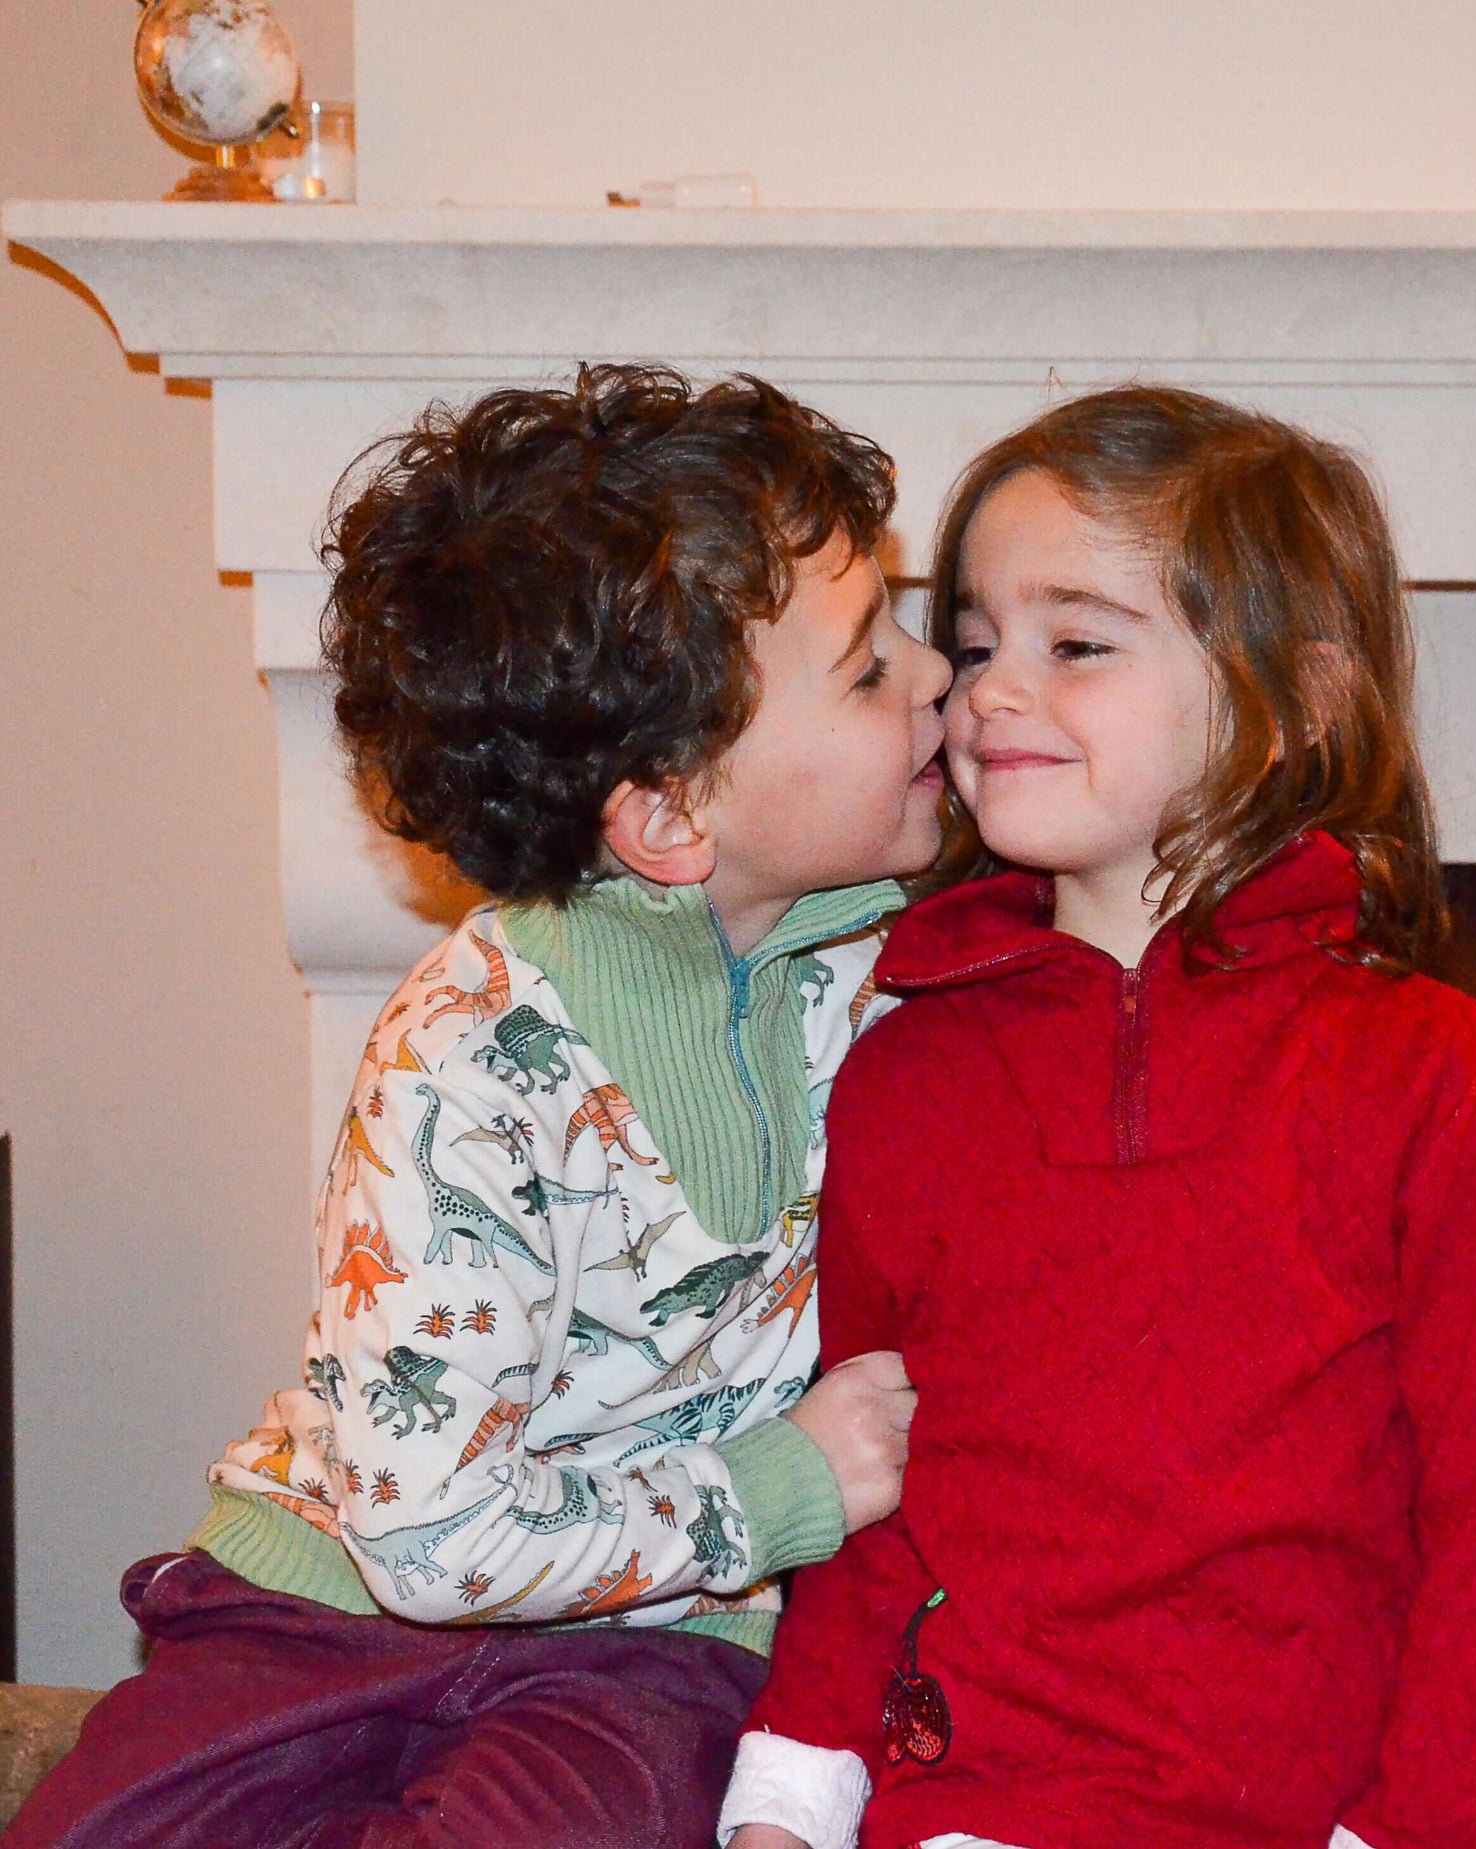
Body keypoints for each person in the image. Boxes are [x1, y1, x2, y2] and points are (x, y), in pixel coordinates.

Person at [7, 365, 946, 1849]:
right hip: (333, 1588)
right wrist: (774, 1488)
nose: (935, 673)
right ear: (669, 815)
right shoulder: (467, 1050)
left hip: (655, 1642)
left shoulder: (920, 966)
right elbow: (429, 1531)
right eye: (866, 662)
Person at [718, 387, 1476, 1849]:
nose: (986, 690)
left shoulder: (1428, 1072)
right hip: (965, 1807)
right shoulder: (907, 1076)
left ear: (1291, 704)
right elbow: (871, 1480)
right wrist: (788, 1797)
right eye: (980, 642)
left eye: (1074, 644)